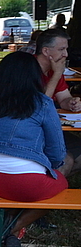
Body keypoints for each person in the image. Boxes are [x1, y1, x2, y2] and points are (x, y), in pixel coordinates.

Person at [0, 51, 70, 247]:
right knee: (61, 185)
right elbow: (57, 154)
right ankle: (10, 232)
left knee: (18, 187)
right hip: (24, 183)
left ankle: (6, 230)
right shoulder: (43, 103)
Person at [35, 28, 81, 176]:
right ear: (46, 51)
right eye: (62, 49)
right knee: (65, 159)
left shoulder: (54, 70)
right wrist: (56, 75)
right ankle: (48, 187)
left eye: (66, 49)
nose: (66, 55)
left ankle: (52, 181)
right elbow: (38, 108)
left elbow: (63, 99)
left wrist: (72, 102)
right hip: (32, 131)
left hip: (51, 129)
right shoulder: (28, 70)